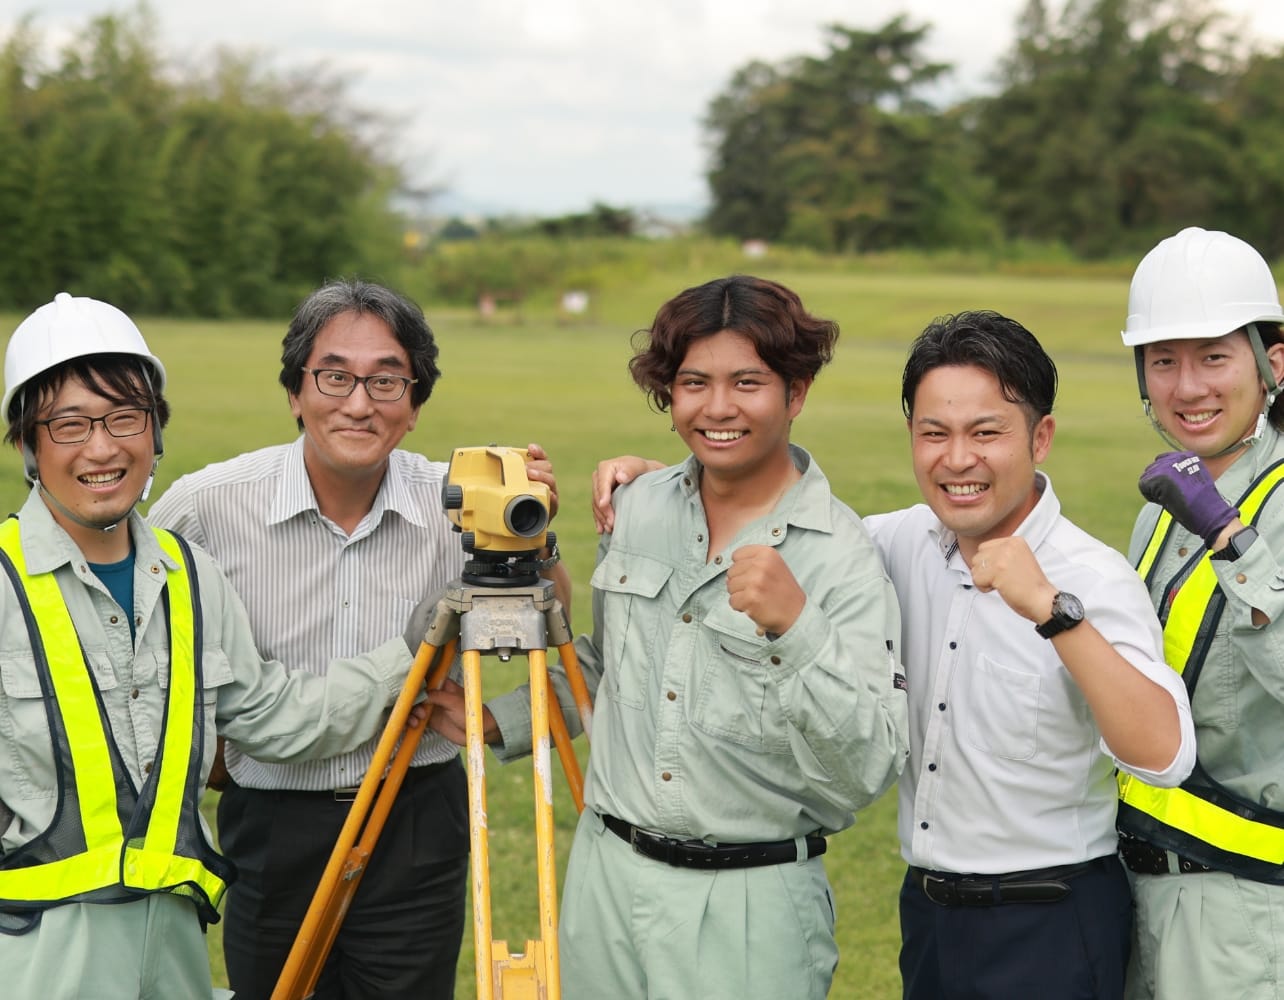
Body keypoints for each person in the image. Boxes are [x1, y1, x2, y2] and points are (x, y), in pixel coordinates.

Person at [593, 309, 1196, 1000]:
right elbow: (791, 521)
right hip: (930, 914)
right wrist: (673, 479)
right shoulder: (893, 544)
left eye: (986, 432)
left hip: (1052, 917)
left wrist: (1053, 613)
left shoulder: (1089, 576)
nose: (957, 458)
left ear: (1041, 437)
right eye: (933, 433)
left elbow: (1164, 755)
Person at [431, 274, 909, 999]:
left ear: (797, 391)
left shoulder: (840, 555)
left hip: (751, 902)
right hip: (606, 879)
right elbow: (612, 663)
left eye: (747, 382)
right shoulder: (640, 507)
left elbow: (867, 767)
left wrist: (797, 628)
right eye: (694, 382)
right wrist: (502, 720)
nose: (718, 408)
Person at [0, 292, 437, 1000]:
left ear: (155, 432)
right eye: (69, 424)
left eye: (124, 418)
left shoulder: (185, 571)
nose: (103, 447)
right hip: (34, 960)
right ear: (27, 442)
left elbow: (277, 719)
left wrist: (412, 650)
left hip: (173, 954)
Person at [146, 278, 570, 999]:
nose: (358, 402)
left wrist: (536, 543)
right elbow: (144, 650)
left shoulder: (469, 508)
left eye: (386, 381)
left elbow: (558, 652)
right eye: (334, 376)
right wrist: (209, 759)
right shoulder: (207, 506)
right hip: (272, 822)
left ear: (413, 406)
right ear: (295, 391)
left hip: (417, 819)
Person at [1112, 227, 1284, 1000]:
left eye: (1214, 356)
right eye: (1163, 360)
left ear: (1271, 361)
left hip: (1246, 912)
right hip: (1138, 887)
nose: (1187, 387)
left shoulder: (1235, 510)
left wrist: (1229, 534)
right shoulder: (1163, 508)